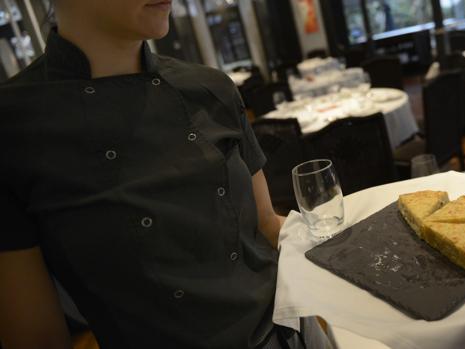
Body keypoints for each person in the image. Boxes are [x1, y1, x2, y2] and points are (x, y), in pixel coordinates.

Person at [0, 1, 330, 348]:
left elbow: (267, 226)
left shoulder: (211, 87)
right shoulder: (13, 127)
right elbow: (36, 337)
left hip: (292, 330)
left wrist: (352, 254)